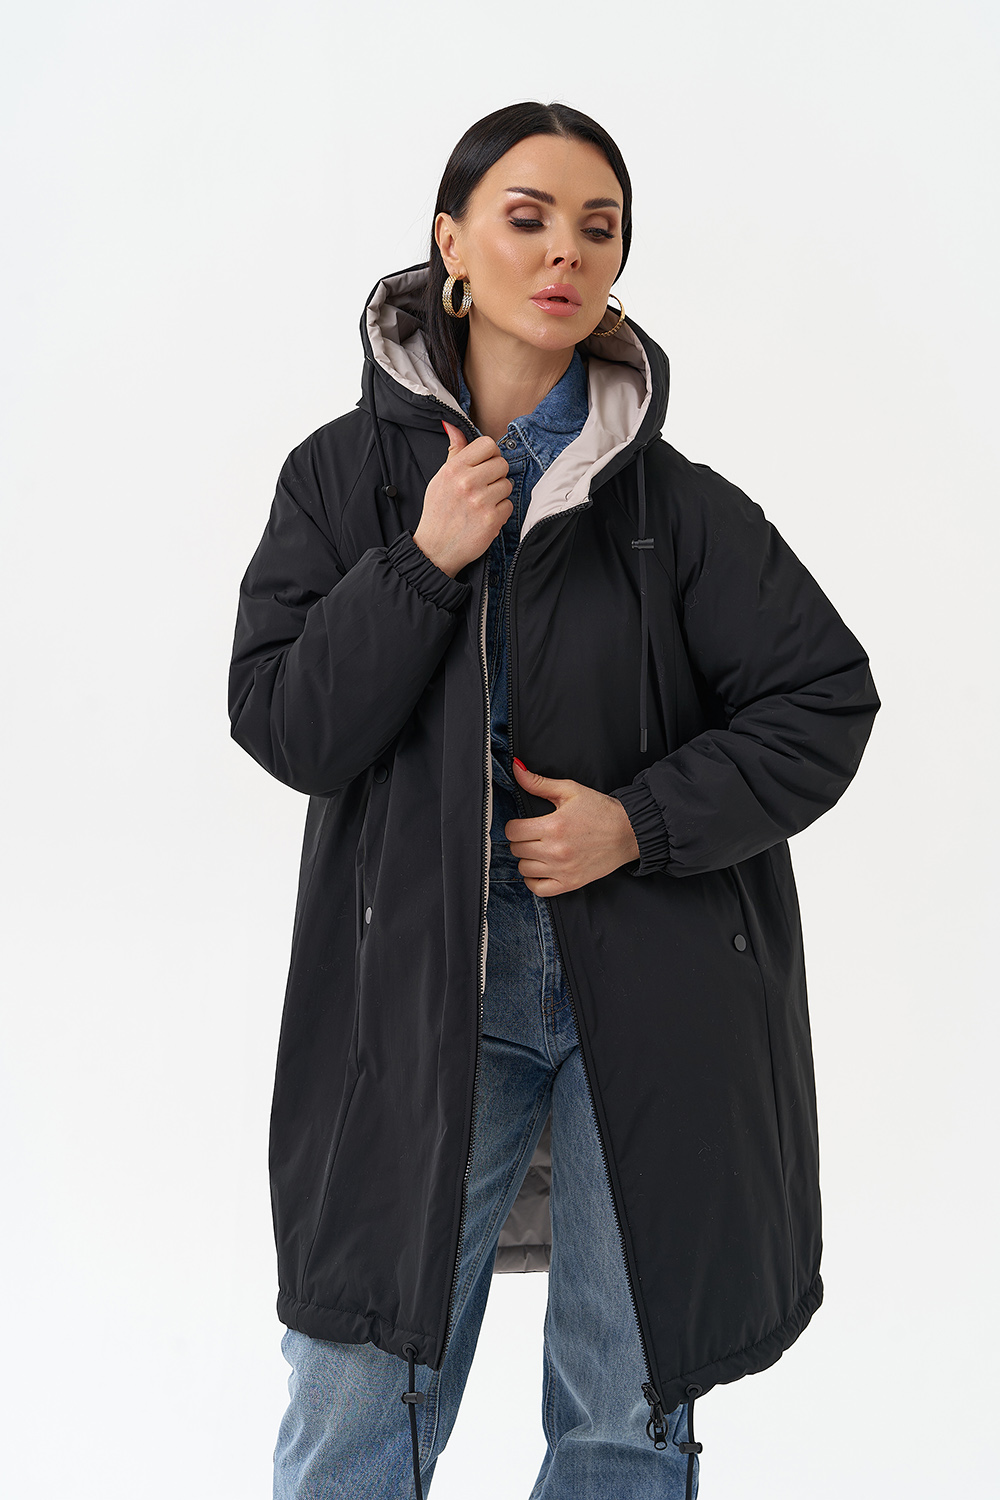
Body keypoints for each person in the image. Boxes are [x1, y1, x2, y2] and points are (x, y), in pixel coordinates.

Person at [227, 101, 881, 1500]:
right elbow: (286, 724)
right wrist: (420, 564)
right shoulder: (343, 480)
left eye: (599, 228)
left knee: (625, 1413)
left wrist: (636, 823)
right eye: (526, 218)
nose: (565, 252)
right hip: (422, 991)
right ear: (452, 246)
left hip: (651, 988)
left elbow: (824, 699)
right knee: (357, 1392)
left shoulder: (675, 507)